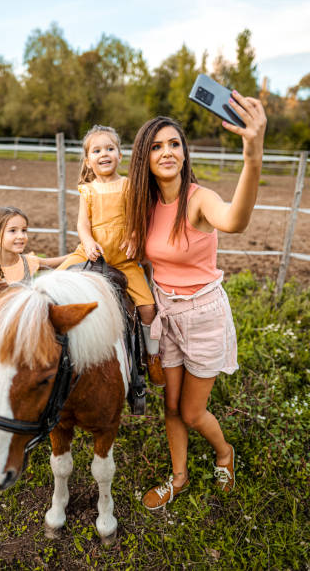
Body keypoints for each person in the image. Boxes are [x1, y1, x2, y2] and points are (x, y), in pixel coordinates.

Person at [125, 91, 267, 509]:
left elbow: (235, 221)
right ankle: (179, 476)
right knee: (169, 407)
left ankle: (225, 453)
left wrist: (252, 156)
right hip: (165, 315)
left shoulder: (199, 199)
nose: (167, 151)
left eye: (174, 143)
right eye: (156, 146)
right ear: (144, 158)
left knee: (190, 412)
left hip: (204, 315)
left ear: (185, 153)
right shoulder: (145, 205)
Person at [58, 124, 165, 386]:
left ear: (120, 155)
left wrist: (134, 236)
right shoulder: (88, 190)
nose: (104, 153)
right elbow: (83, 224)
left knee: (148, 307)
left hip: (124, 259)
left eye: (110, 148)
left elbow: (139, 217)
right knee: (54, 284)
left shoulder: (128, 186)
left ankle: (152, 356)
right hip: (92, 253)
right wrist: (88, 241)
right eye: (97, 150)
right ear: (88, 160)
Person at [0, 205, 68, 400]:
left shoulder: (28, 262)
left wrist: (82, 252)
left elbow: (57, 262)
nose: (21, 236)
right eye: (13, 231)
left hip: (26, 338)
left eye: (24, 230)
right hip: (0, 344)